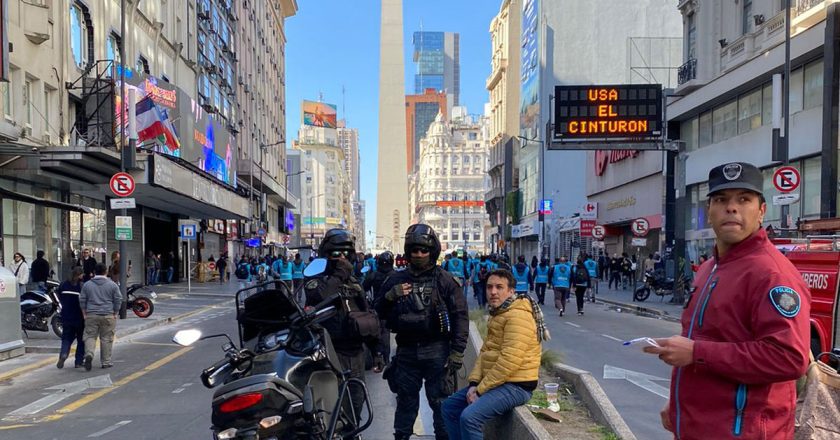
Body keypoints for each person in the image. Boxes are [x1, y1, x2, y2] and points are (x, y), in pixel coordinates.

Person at [643, 162, 811, 439]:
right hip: (699, 426)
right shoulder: (710, 268)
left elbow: (788, 359)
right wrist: (678, 402)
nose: (731, 208)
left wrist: (697, 352)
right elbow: (708, 337)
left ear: (761, 211)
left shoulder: (771, 273)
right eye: (721, 200)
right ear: (708, 212)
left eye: (744, 199)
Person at [376, 224, 469, 440]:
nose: (419, 255)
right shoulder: (395, 279)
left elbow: (460, 317)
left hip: (437, 352)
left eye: (423, 250)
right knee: (406, 404)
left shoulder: (445, 280)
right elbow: (377, 311)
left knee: (441, 405)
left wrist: (457, 351)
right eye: (414, 250)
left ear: (432, 251)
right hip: (406, 353)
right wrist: (390, 296)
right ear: (408, 252)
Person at [442, 269, 547, 440]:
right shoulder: (499, 314)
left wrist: (480, 391)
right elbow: (485, 353)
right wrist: (475, 383)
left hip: (517, 385)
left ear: (511, 291)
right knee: (449, 407)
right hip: (498, 382)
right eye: (489, 287)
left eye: (499, 287)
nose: (493, 292)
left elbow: (509, 361)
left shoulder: (518, 316)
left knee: (470, 418)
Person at [304, 228, 377, 424]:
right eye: (336, 254)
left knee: (356, 404)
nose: (341, 258)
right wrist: (338, 276)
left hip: (355, 353)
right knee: (330, 411)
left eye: (345, 254)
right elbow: (320, 297)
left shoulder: (353, 281)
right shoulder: (316, 278)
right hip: (328, 353)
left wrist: (377, 350)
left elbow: (367, 316)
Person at [80, 263, 122, 371]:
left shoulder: (87, 285)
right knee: (106, 338)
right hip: (108, 314)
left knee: (90, 336)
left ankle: (89, 354)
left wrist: (84, 312)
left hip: (91, 314)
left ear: (94, 272)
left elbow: (82, 299)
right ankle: (106, 361)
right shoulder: (112, 285)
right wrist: (116, 312)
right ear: (106, 272)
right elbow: (118, 299)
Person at [362, 250, 396, 372]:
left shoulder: (374, 275)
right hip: (390, 309)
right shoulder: (394, 275)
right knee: (384, 333)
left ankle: (378, 357)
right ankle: (385, 359)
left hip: (377, 308)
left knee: (375, 333)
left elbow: (363, 289)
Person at [57, 267, 85, 369]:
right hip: (79, 317)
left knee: (66, 338)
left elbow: (59, 295)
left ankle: (63, 354)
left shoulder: (64, 284)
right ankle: (78, 361)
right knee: (81, 340)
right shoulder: (81, 286)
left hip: (66, 316)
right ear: (79, 275)